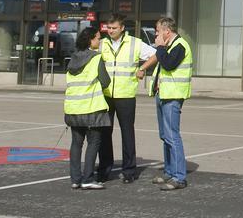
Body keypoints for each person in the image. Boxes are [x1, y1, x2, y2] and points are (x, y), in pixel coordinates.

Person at [97, 14, 158, 183]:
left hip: (126, 96)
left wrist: (143, 68)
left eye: (114, 28)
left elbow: (156, 54)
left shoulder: (134, 43)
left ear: (122, 28)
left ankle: (129, 171)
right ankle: (104, 169)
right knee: (104, 133)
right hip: (106, 95)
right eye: (108, 28)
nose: (110, 31)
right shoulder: (102, 44)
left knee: (127, 133)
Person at [64, 26, 111, 189]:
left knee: (76, 143)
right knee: (94, 142)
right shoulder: (96, 58)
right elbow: (106, 81)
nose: (100, 40)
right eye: (98, 38)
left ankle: (75, 179)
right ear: (90, 40)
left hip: (73, 108)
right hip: (92, 108)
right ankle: (88, 179)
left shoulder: (72, 59)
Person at [151, 15, 192, 191]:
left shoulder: (180, 45)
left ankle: (179, 177)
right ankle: (169, 171)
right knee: (165, 135)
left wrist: (160, 47)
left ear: (167, 31)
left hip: (173, 96)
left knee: (172, 136)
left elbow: (168, 65)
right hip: (163, 94)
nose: (156, 35)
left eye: (158, 31)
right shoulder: (169, 46)